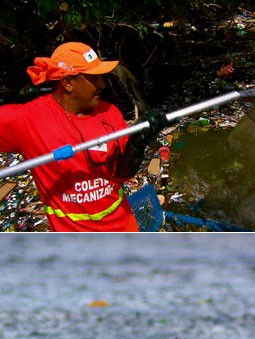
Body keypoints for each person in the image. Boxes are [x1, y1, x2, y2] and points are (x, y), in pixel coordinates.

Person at [0, 42, 167, 231]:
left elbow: (121, 174)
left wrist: (137, 144)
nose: (102, 84)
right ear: (68, 83)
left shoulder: (109, 113)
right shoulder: (28, 120)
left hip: (124, 228)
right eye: (93, 78)